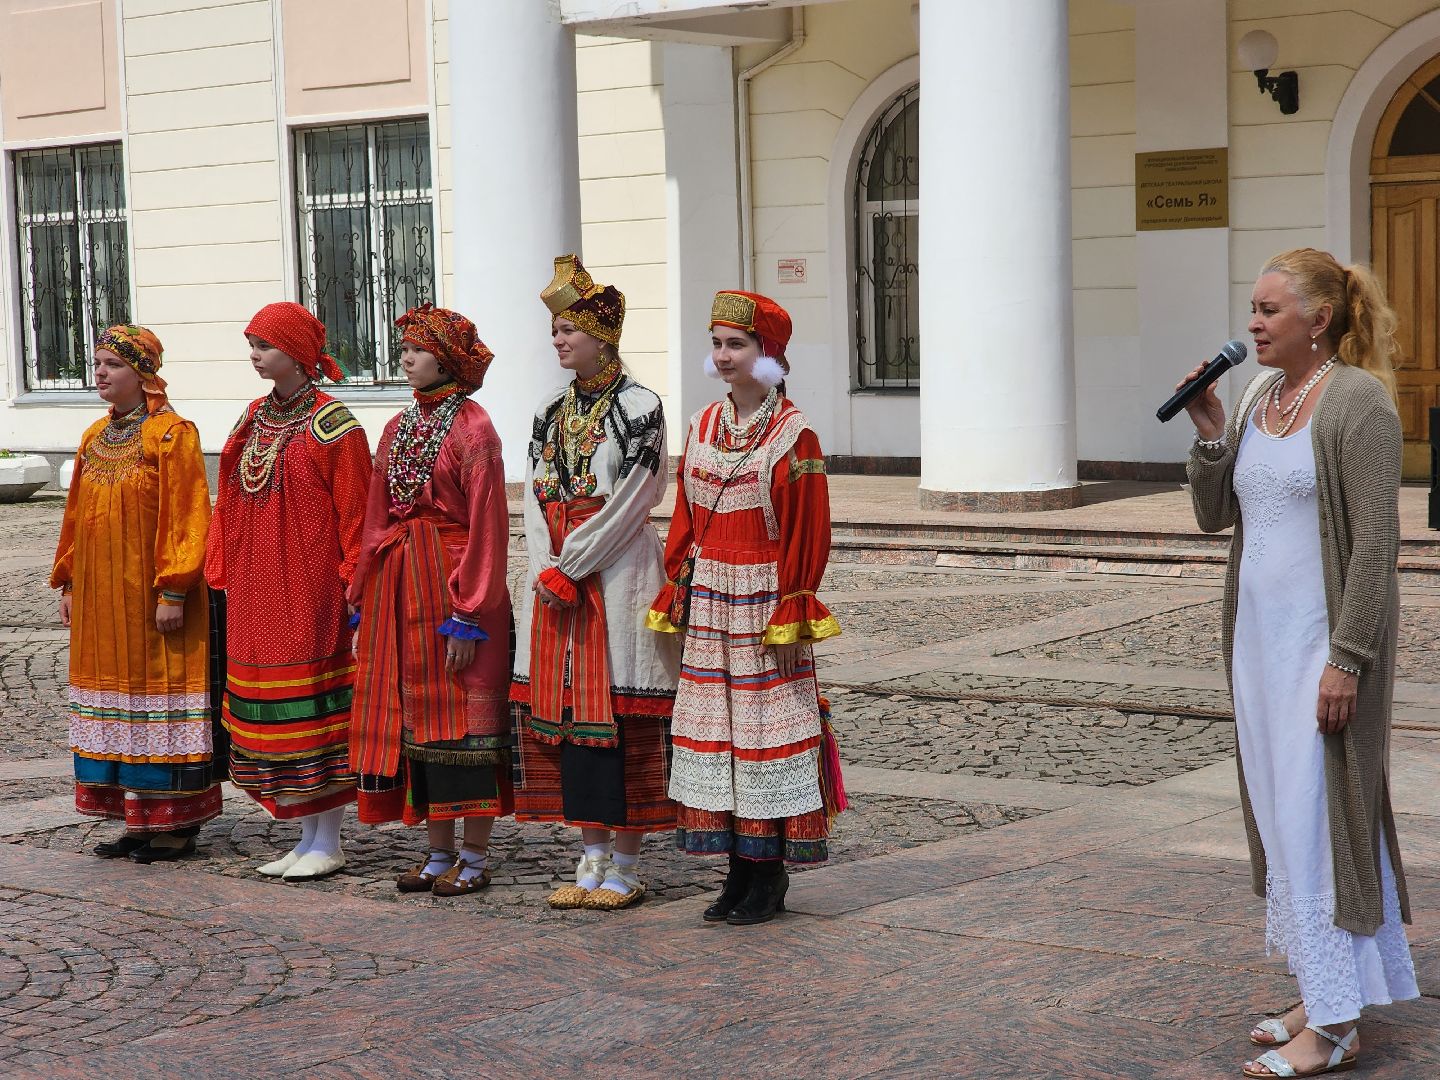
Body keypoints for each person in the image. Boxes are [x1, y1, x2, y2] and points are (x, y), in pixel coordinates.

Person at [1183, 248, 1418, 1078]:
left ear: (1319, 320)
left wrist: (1347, 660)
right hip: (1258, 644)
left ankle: (1336, 1026)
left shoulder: (1358, 405)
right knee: (1285, 816)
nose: (1252, 323)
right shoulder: (1256, 396)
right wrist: (1213, 434)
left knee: (1323, 818)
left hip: (1323, 647)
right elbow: (1218, 517)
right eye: (1252, 307)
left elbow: (1377, 548)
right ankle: (1322, 990)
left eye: (1269, 310)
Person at [648, 290, 842, 926]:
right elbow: (685, 514)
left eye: (738, 344)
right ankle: (736, 869)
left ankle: (769, 876)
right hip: (710, 603)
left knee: (765, 735)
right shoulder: (703, 427)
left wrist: (793, 605)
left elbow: (807, 527)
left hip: (763, 602)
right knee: (719, 737)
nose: (724, 355)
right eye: (718, 343)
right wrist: (678, 582)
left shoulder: (795, 434)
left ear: (768, 355)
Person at [512, 255, 679, 911]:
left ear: (601, 336)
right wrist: (547, 562)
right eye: (554, 331)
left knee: (624, 713)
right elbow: (531, 495)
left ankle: (628, 861)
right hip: (559, 578)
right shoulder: (547, 410)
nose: (558, 340)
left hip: (615, 573)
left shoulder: (641, 408)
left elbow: (637, 494)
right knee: (570, 717)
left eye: (567, 330)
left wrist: (572, 562)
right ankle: (590, 853)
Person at [348, 303, 511, 897]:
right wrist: (363, 586)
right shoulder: (397, 428)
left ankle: (474, 855)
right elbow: (374, 514)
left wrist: (469, 611)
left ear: (446, 358)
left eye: (417, 350)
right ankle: (436, 852)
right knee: (418, 721)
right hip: (400, 585)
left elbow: (488, 521)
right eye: (407, 350)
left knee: (466, 723)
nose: (407, 359)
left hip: (454, 583)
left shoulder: (475, 428)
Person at [205, 303, 372, 881]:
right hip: (258, 586)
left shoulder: (337, 426)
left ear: (297, 353)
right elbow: (228, 495)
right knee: (269, 713)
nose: (254, 354)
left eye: (264, 345)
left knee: (316, 709)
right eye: (251, 344)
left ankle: (329, 837)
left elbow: (357, 514)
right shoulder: (253, 418)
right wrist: (222, 565)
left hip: (310, 585)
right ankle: (306, 834)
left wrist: (356, 583)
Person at [51, 325, 220, 863]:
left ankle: (177, 823)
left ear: (142, 373)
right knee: (114, 697)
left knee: (158, 693)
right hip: (103, 600)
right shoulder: (95, 437)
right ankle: (137, 820)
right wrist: (71, 580)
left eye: (112, 365)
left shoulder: (171, 434)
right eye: (97, 363)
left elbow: (188, 514)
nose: (100, 373)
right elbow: (76, 515)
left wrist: (173, 589)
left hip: (153, 600)